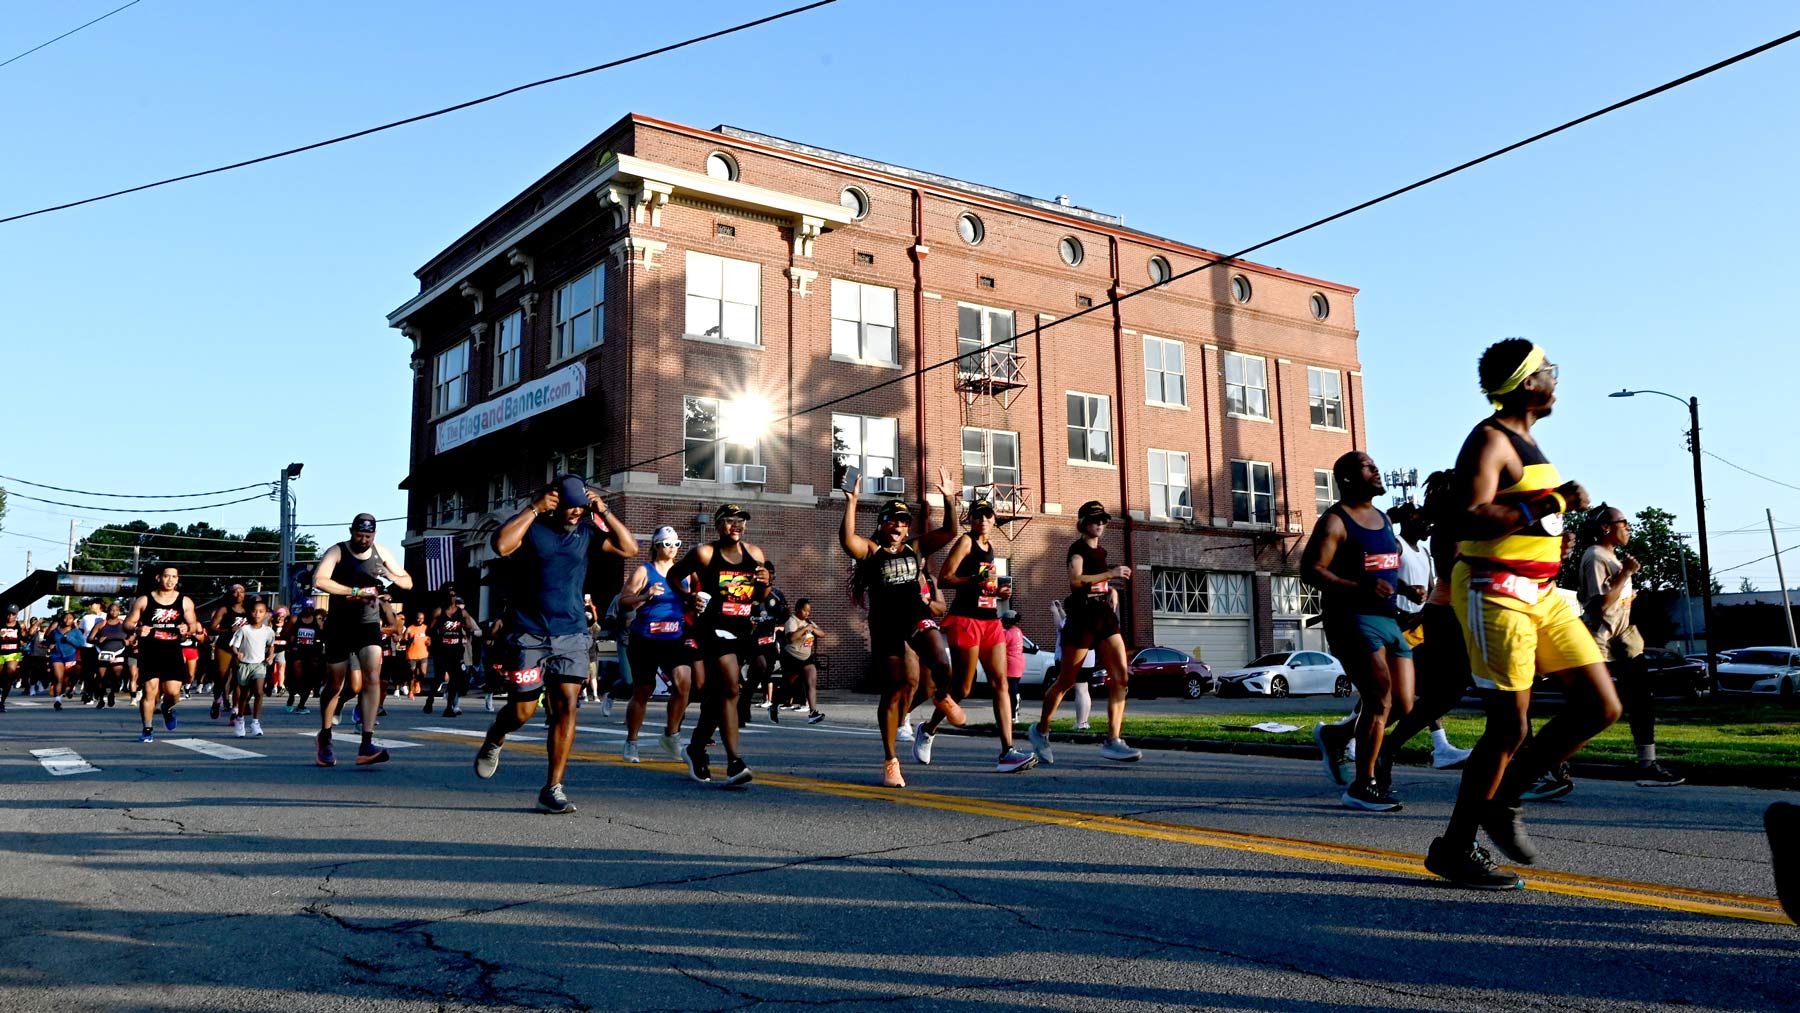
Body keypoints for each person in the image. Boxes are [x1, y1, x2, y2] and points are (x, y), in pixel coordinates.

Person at [1423, 339, 1622, 891]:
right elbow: (1469, 518)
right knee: (1509, 727)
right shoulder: (1489, 439)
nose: (1555, 379)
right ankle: (1455, 849)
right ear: (1525, 382)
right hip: (1495, 591)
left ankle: (1504, 800)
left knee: (1600, 706)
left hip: (1544, 593)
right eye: (1548, 371)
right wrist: (1553, 502)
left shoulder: (1528, 442)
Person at [473, 476, 637, 813]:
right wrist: (533, 508)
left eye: (581, 504)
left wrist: (603, 509)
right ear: (552, 499)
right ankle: (495, 737)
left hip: (573, 634)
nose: (576, 511)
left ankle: (553, 788)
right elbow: (501, 545)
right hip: (530, 634)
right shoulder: (533, 526)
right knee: (522, 710)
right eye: (569, 504)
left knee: (567, 706)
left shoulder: (588, 532)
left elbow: (629, 548)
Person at [1302, 452, 1412, 812]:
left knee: (1404, 704)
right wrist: (1359, 587)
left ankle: (1336, 735)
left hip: (1388, 619)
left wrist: (1407, 591)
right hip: (1351, 619)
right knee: (1379, 699)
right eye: (1368, 467)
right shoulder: (1335, 521)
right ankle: (1363, 785)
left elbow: (1384, 565)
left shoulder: (1382, 519)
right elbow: (1312, 570)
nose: (1377, 470)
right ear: (1348, 478)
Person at [840, 466, 962, 789]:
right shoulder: (872, 550)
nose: (899, 525)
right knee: (895, 690)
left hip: (914, 615)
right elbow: (847, 539)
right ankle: (890, 760)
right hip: (885, 626)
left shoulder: (916, 548)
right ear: (882, 525)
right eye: (893, 520)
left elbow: (951, 531)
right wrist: (852, 501)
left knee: (940, 658)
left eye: (904, 521)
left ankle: (943, 698)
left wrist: (949, 499)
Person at [666, 503, 773, 788]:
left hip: (743, 629)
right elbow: (673, 575)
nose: (735, 525)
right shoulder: (705, 553)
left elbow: (761, 596)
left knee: (736, 686)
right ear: (718, 525)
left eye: (740, 521)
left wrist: (766, 582)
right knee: (729, 687)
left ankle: (696, 747)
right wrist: (688, 596)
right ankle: (734, 762)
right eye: (728, 520)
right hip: (712, 629)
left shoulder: (755, 554)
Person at [1028, 501, 1142, 765]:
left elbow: (1097, 581)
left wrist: (1110, 588)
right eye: (1094, 520)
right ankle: (1041, 729)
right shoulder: (1076, 550)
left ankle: (1113, 740)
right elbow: (1076, 580)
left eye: (1103, 520)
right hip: (1081, 619)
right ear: (1082, 523)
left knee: (1121, 677)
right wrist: (1110, 574)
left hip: (1103, 616)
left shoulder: (1100, 552)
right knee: (1067, 681)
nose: (1100, 524)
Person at [929, 497, 1037, 773]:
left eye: (988, 516)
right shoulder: (966, 542)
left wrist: (998, 591)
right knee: (962, 689)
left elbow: (984, 585)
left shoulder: (991, 548)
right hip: (966, 619)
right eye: (978, 516)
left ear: (994, 519)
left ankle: (1007, 752)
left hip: (990, 620)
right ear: (972, 520)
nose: (983, 520)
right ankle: (928, 729)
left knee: (1001, 682)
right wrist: (973, 581)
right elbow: (944, 578)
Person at [1580, 506, 1682, 788]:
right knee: (1593, 710)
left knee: (1641, 702)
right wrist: (1625, 574)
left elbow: (1611, 599)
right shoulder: (1595, 556)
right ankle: (1548, 760)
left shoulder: (1610, 557)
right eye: (1624, 523)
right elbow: (1597, 604)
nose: (1628, 529)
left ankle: (1647, 764)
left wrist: (1627, 595)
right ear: (1606, 528)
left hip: (1623, 645)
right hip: (1600, 646)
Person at [312, 514, 415, 768]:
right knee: (335, 683)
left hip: (368, 624)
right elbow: (319, 580)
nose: (363, 540)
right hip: (339, 624)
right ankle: (325, 736)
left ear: (375, 535)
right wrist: (355, 591)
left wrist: (389, 574)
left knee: (372, 674)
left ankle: (366, 742)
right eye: (359, 535)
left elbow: (408, 582)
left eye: (368, 536)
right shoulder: (338, 551)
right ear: (351, 531)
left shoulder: (381, 552)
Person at [620, 525, 696, 763]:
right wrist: (645, 595)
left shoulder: (685, 573)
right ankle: (632, 741)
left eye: (676, 544)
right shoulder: (645, 571)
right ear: (656, 545)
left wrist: (696, 604)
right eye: (667, 543)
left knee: (684, 684)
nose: (672, 548)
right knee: (643, 690)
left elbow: (692, 600)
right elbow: (623, 602)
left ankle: (671, 734)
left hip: (674, 637)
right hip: (645, 639)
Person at [125, 565, 202, 742]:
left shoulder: (185, 601)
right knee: (149, 691)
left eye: (174, 577)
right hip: (150, 650)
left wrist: (187, 629)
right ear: (158, 578)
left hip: (172, 651)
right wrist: (137, 628)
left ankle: (167, 709)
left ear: (178, 579)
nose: (170, 580)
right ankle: (147, 729)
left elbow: (194, 625)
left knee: (173, 693)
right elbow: (127, 623)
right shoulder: (144, 600)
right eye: (167, 576)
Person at [745, 560, 790, 725]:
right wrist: (747, 623)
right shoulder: (748, 593)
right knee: (760, 666)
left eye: (770, 573)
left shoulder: (777, 595)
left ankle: (747, 699)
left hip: (769, 642)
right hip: (751, 641)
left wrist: (781, 628)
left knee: (765, 673)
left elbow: (785, 617)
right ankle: (743, 701)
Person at [424, 595, 480, 716]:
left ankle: (449, 707)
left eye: (453, 596)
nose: (451, 599)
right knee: (439, 678)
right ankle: (430, 699)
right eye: (449, 596)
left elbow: (470, 627)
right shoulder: (439, 611)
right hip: (442, 649)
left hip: (456, 650)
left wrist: (463, 626)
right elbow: (429, 630)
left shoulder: (462, 613)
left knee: (455, 678)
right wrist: (438, 631)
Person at [229, 599, 277, 738]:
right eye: (254, 611)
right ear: (249, 613)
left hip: (259, 665)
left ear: (266, 614)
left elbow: (271, 645)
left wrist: (271, 655)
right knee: (244, 695)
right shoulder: (244, 630)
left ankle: (255, 722)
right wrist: (237, 653)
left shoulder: (268, 631)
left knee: (259, 692)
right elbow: (234, 645)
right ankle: (240, 720)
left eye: (261, 612)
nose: (257, 614)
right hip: (245, 665)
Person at [208, 584, 250, 721]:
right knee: (222, 677)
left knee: (239, 679)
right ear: (230, 594)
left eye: (241, 592)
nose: (238, 594)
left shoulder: (249, 610)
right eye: (234, 592)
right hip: (225, 646)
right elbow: (212, 628)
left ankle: (235, 710)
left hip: (243, 648)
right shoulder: (224, 609)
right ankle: (217, 701)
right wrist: (228, 630)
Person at [781, 598, 826, 724]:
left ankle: (813, 712)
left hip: (806, 657)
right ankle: (775, 704)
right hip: (792, 656)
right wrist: (804, 629)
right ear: (798, 609)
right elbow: (791, 638)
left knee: (811, 681)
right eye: (805, 610)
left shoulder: (808, 621)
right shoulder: (792, 621)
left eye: (809, 611)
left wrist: (813, 629)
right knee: (788, 683)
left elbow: (822, 634)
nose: (807, 613)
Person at [88, 604, 130, 709]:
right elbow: (89, 638)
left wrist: (129, 641)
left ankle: (112, 693)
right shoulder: (101, 624)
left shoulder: (123, 623)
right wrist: (98, 640)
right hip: (103, 652)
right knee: (101, 677)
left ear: (119, 611)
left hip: (119, 652)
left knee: (117, 676)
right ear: (108, 611)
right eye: (111, 610)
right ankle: (101, 698)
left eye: (116, 610)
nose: (114, 612)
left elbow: (132, 635)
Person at [286, 603, 325, 714]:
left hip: (312, 653)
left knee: (309, 679)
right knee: (297, 676)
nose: (308, 610)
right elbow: (285, 632)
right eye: (306, 608)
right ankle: (291, 696)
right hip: (298, 652)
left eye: (310, 608)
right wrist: (291, 637)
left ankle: (302, 704)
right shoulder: (295, 619)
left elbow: (323, 634)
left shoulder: (317, 620)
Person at [46, 612, 86, 712]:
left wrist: (69, 639)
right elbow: (47, 640)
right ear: (62, 619)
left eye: (70, 618)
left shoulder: (76, 632)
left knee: (65, 680)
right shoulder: (55, 631)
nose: (67, 620)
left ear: (73, 620)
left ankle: (68, 689)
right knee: (58, 678)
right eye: (65, 618)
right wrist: (50, 645)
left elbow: (81, 644)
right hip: (56, 656)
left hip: (70, 657)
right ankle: (57, 701)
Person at [0, 606, 25, 712]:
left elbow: (24, 640)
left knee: (9, 674)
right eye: (8, 614)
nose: (10, 616)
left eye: (13, 614)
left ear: (16, 615)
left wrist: (24, 636)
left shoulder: (20, 626)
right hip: (0, 653)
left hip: (13, 654)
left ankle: (2, 703)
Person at [403, 611, 431, 699]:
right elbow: (403, 641)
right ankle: (411, 691)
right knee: (412, 674)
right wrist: (409, 641)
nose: (420, 620)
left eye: (422, 618)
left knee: (423, 673)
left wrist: (429, 642)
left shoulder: (426, 628)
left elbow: (430, 640)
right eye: (418, 618)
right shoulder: (410, 628)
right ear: (415, 618)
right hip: (412, 655)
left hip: (423, 654)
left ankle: (417, 681)